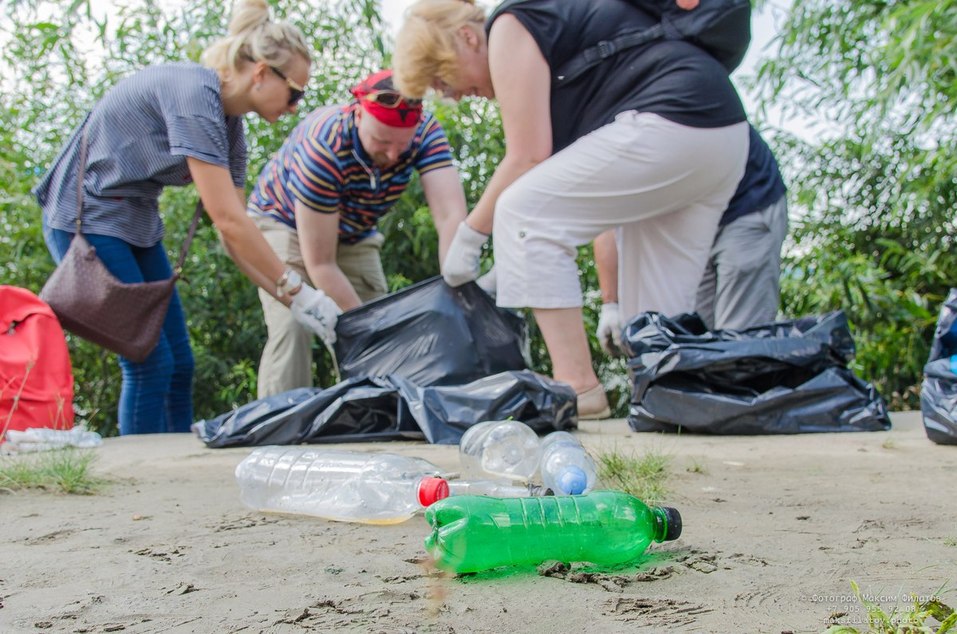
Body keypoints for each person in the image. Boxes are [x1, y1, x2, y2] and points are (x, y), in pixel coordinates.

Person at [392, 0, 749, 418]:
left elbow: (527, 158)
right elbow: (576, 190)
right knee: (654, 334)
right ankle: (666, 407)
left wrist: (469, 239)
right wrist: (506, 267)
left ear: (468, 38)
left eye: (440, 78)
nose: (449, 96)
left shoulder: (507, 28)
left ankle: (577, 387)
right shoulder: (544, 51)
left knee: (522, 212)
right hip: (719, 135)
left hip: (670, 121)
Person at [33, 0, 339, 435]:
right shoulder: (195, 94)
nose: (295, 108)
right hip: (87, 217)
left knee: (180, 360)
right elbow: (229, 220)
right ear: (260, 73)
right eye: (295, 93)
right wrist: (302, 293)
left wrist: (294, 301)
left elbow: (234, 231)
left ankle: (172, 471)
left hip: (135, 220)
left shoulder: (230, 125)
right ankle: (143, 479)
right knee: (148, 357)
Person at [246, 69, 467, 398]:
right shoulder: (325, 144)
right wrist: (359, 323)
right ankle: (279, 425)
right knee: (295, 321)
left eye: (401, 144)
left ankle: (374, 415)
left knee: (382, 323)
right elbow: (320, 263)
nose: (393, 155)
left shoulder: (426, 132)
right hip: (282, 222)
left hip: (355, 231)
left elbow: (450, 215)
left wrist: (458, 279)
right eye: (382, 141)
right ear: (359, 113)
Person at [594, 124, 790, 353]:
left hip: (744, 206)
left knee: (738, 343)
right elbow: (607, 218)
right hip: (689, 227)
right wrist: (611, 306)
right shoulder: (598, 143)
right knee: (692, 340)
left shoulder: (646, 114)